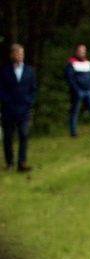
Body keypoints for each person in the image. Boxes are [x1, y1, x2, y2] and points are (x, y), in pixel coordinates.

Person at [1, 44, 36, 173]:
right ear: (12, 55)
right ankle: (9, 162)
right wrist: (6, 101)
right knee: (9, 137)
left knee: (24, 135)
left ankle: (22, 162)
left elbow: (33, 89)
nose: (19, 56)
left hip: (24, 108)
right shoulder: (5, 71)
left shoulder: (29, 71)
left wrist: (29, 101)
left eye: (21, 54)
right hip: (9, 109)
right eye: (17, 54)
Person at [65, 44, 90, 137]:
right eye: (81, 51)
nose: (83, 53)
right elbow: (70, 78)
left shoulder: (87, 62)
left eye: (84, 51)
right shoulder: (71, 62)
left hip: (88, 90)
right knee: (75, 111)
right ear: (76, 51)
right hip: (78, 91)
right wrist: (77, 89)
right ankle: (73, 132)